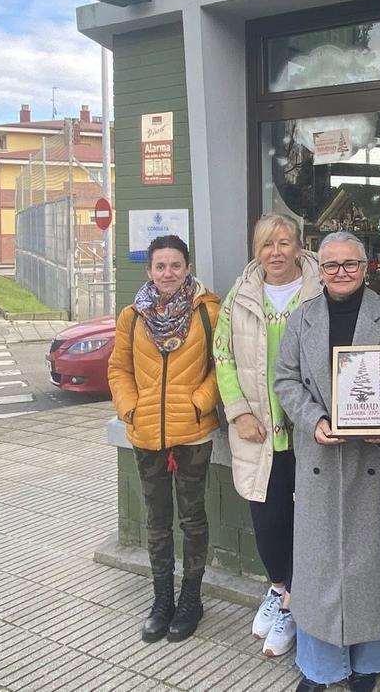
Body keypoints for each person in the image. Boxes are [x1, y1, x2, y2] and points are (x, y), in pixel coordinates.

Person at [275, 231, 380, 692]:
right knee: (318, 571)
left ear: (366, 266)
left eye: (350, 265)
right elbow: (286, 380)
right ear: (320, 269)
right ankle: (320, 667)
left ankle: (367, 667)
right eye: (332, 266)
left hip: (372, 464)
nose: (341, 273)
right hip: (320, 457)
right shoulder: (302, 319)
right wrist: (312, 419)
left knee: (370, 570)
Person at [213, 214, 323, 658]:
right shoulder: (239, 297)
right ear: (256, 250)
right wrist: (237, 412)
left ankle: (299, 602)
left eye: (283, 242)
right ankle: (281, 591)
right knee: (269, 521)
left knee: (311, 521)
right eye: (266, 244)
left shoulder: (320, 288)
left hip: (313, 429)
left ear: (298, 245)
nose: (275, 252)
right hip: (260, 432)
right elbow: (223, 358)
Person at [107, 234, 221, 645]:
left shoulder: (209, 310)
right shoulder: (132, 316)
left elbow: (221, 365)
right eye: (160, 266)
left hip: (192, 433)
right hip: (146, 432)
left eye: (175, 265)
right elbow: (118, 368)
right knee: (156, 521)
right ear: (150, 270)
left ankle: (191, 598)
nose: (168, 273)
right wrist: (130, 408)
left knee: (192, 518)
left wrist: (199, 402)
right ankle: (162, 599)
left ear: (187, 268)